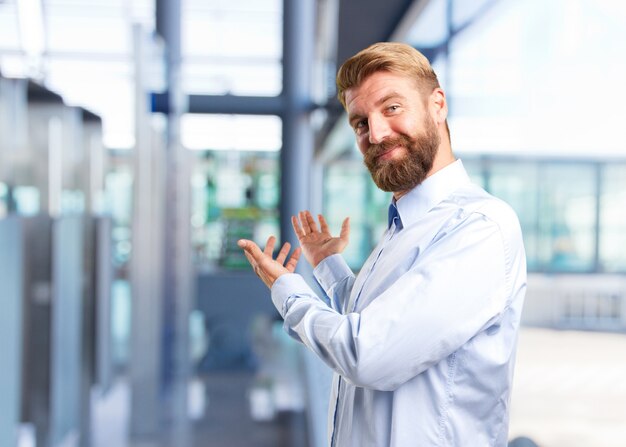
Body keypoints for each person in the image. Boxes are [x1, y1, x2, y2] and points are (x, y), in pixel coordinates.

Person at [238, 42, 527, 446]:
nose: (375, 133)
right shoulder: (405, 225)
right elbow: (380, 320)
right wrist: (327, 266)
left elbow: (365, 353)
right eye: (360, 123)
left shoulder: (478, 228)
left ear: (437, 104)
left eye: (392, 108)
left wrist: (287, 291)